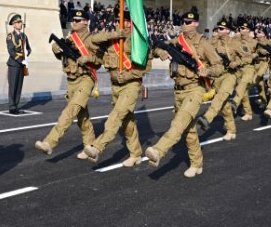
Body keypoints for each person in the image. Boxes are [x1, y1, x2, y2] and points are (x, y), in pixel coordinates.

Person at [146, 11, 224, 178]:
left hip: (195, 89)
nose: (185, 24)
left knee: (179, 123)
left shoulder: (204, 44)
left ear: (196, 23)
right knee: (188, 131)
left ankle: (159, 150)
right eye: (183, 21)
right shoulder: (176, 41)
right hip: (178, 91)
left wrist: (207, 71)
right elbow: (157, 48)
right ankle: (197, 164)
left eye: (189, 22)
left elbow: (219, 67)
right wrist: (161, 52)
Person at [84, 12, 151, 166]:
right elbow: (93, 41)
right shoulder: (111, 40)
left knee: (116, 115)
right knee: (126, 121)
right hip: (115, 86)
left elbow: (147, 66)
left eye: (128, 22)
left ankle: (97, 146)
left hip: (131, 84)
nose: (125, 25)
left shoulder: (138, 41)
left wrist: (128, 76)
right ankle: (135, 154)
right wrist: (115, 34)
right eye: (121, 21)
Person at [35, 10, 99, 160]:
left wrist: (87, 58)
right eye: (73, 20)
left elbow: (99, 60)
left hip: (86, 78)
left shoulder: (93, 40)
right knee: (82, 117)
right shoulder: (69, 38)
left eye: (78, 20)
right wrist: (56, 49)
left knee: (70, 111)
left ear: (86, 22)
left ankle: (50, 142)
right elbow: (62, 57)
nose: (74, 22)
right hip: (71, 80)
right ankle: (91, 148)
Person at [6, 14, 31, 114]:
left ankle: (16, 105)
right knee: (13, 85)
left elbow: (29, 48)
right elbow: (11, 51)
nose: (20, 24)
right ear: (13, 24)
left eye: (21, 22)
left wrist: (27, 53)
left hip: (22, 64)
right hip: (14, 64)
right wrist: (21, 60)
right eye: (18, 22)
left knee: (19, 85)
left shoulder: (24, 36)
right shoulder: (10, 36)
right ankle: (12, 107)